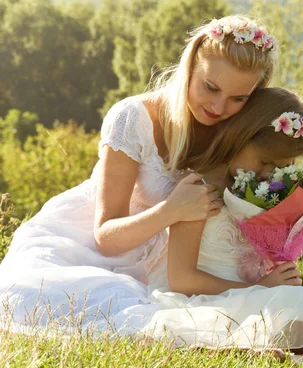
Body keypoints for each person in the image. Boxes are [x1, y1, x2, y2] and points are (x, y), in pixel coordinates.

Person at [0, 16, 279, 331]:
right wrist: (171, 210)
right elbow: (105, 237)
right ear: (190, 69)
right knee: (95, 306)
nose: (218, 106)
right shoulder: (132, 119)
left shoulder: (237, 136)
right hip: (101, 248)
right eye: (210, 87)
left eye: (238, 98)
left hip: (180, 266)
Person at [138, 87, 303, 358]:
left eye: (278, 168)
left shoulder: (258, 190)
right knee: (295, 306)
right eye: (264, 162)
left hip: (251, 293)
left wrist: (279, 267)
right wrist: (259, 288)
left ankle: (294, 356)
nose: (267, 174)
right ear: (240, 136)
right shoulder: (198, 188)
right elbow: (181, 279)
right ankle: (246, 351)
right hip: (202, 298)